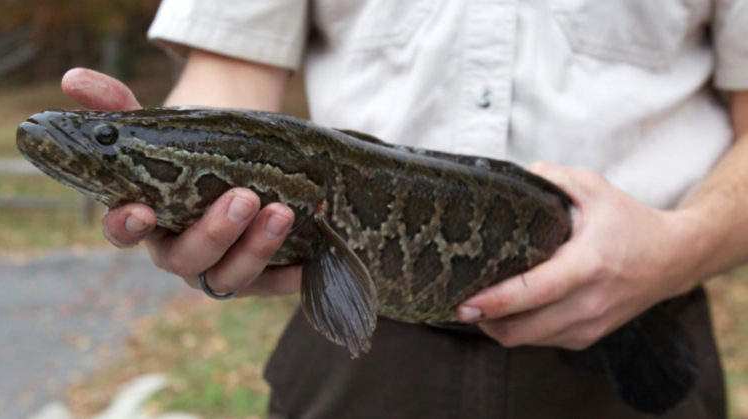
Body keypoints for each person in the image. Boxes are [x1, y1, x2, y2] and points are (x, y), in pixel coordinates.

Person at [62, 1, 748, 418]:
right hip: (356, 346)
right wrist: (158, 138)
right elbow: (233, 66)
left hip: (642, 322)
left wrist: (677, 248)